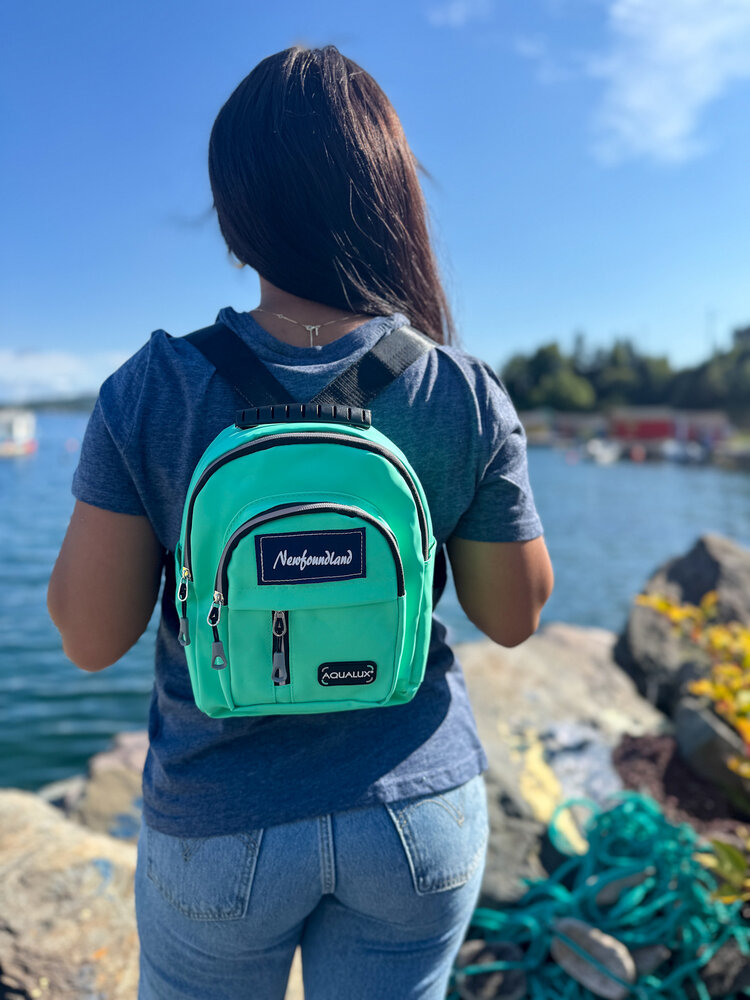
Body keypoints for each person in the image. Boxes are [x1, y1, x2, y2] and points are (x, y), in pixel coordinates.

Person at [47, 45, 553, 1000]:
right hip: (416, 812)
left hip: (220, 823)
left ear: (235, 217)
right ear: (391, 200)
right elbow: (516, 617)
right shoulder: (460, 388)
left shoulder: (152, 387)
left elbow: (87, 638)